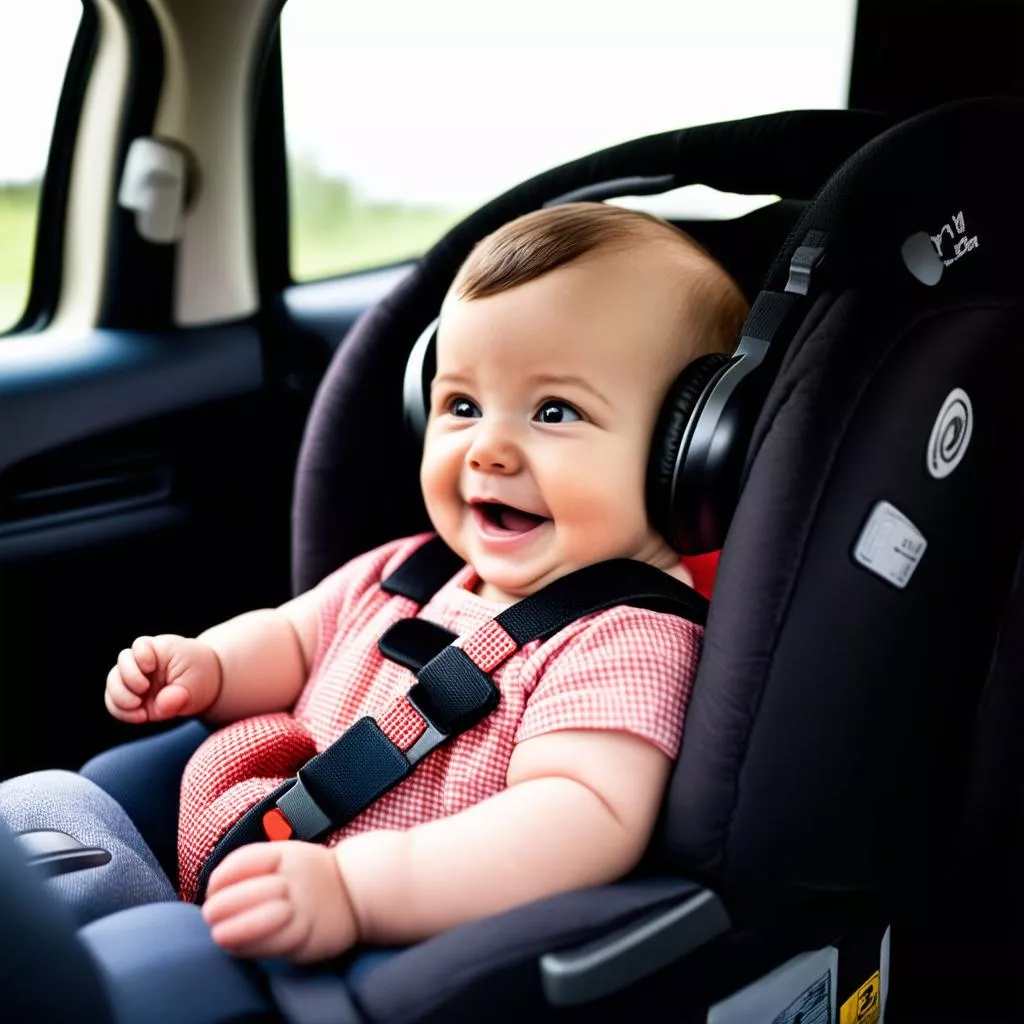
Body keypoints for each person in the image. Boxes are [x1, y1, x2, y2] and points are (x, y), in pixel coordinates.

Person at [5, 202, 748, 967]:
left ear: (685, 454)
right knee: (39, 813)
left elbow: (578, 818)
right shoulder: (409, 569)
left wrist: (359, 891)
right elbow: (297, 637)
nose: (486, 448)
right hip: (253, 870)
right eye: (461, 405)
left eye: (554, 411)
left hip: (372, 942)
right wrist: (212, 666)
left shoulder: (626, 637)